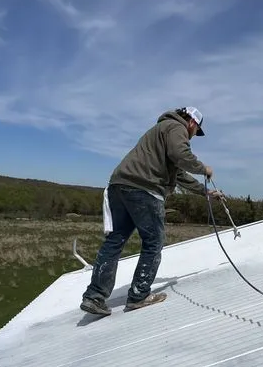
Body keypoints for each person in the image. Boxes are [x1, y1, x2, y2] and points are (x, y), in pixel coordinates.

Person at [80, 106, 223, 316]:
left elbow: (179, 174)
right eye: (196, 131)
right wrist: (204, 169)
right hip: (144, 188)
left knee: (115, 240)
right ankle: (139, 295)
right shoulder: (177, 127)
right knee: (153, 241)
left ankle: (94, 296)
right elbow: (181, 154)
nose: (193, 136)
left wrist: (206, 193)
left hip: (119, 186)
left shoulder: (161, 131)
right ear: (192, 122)